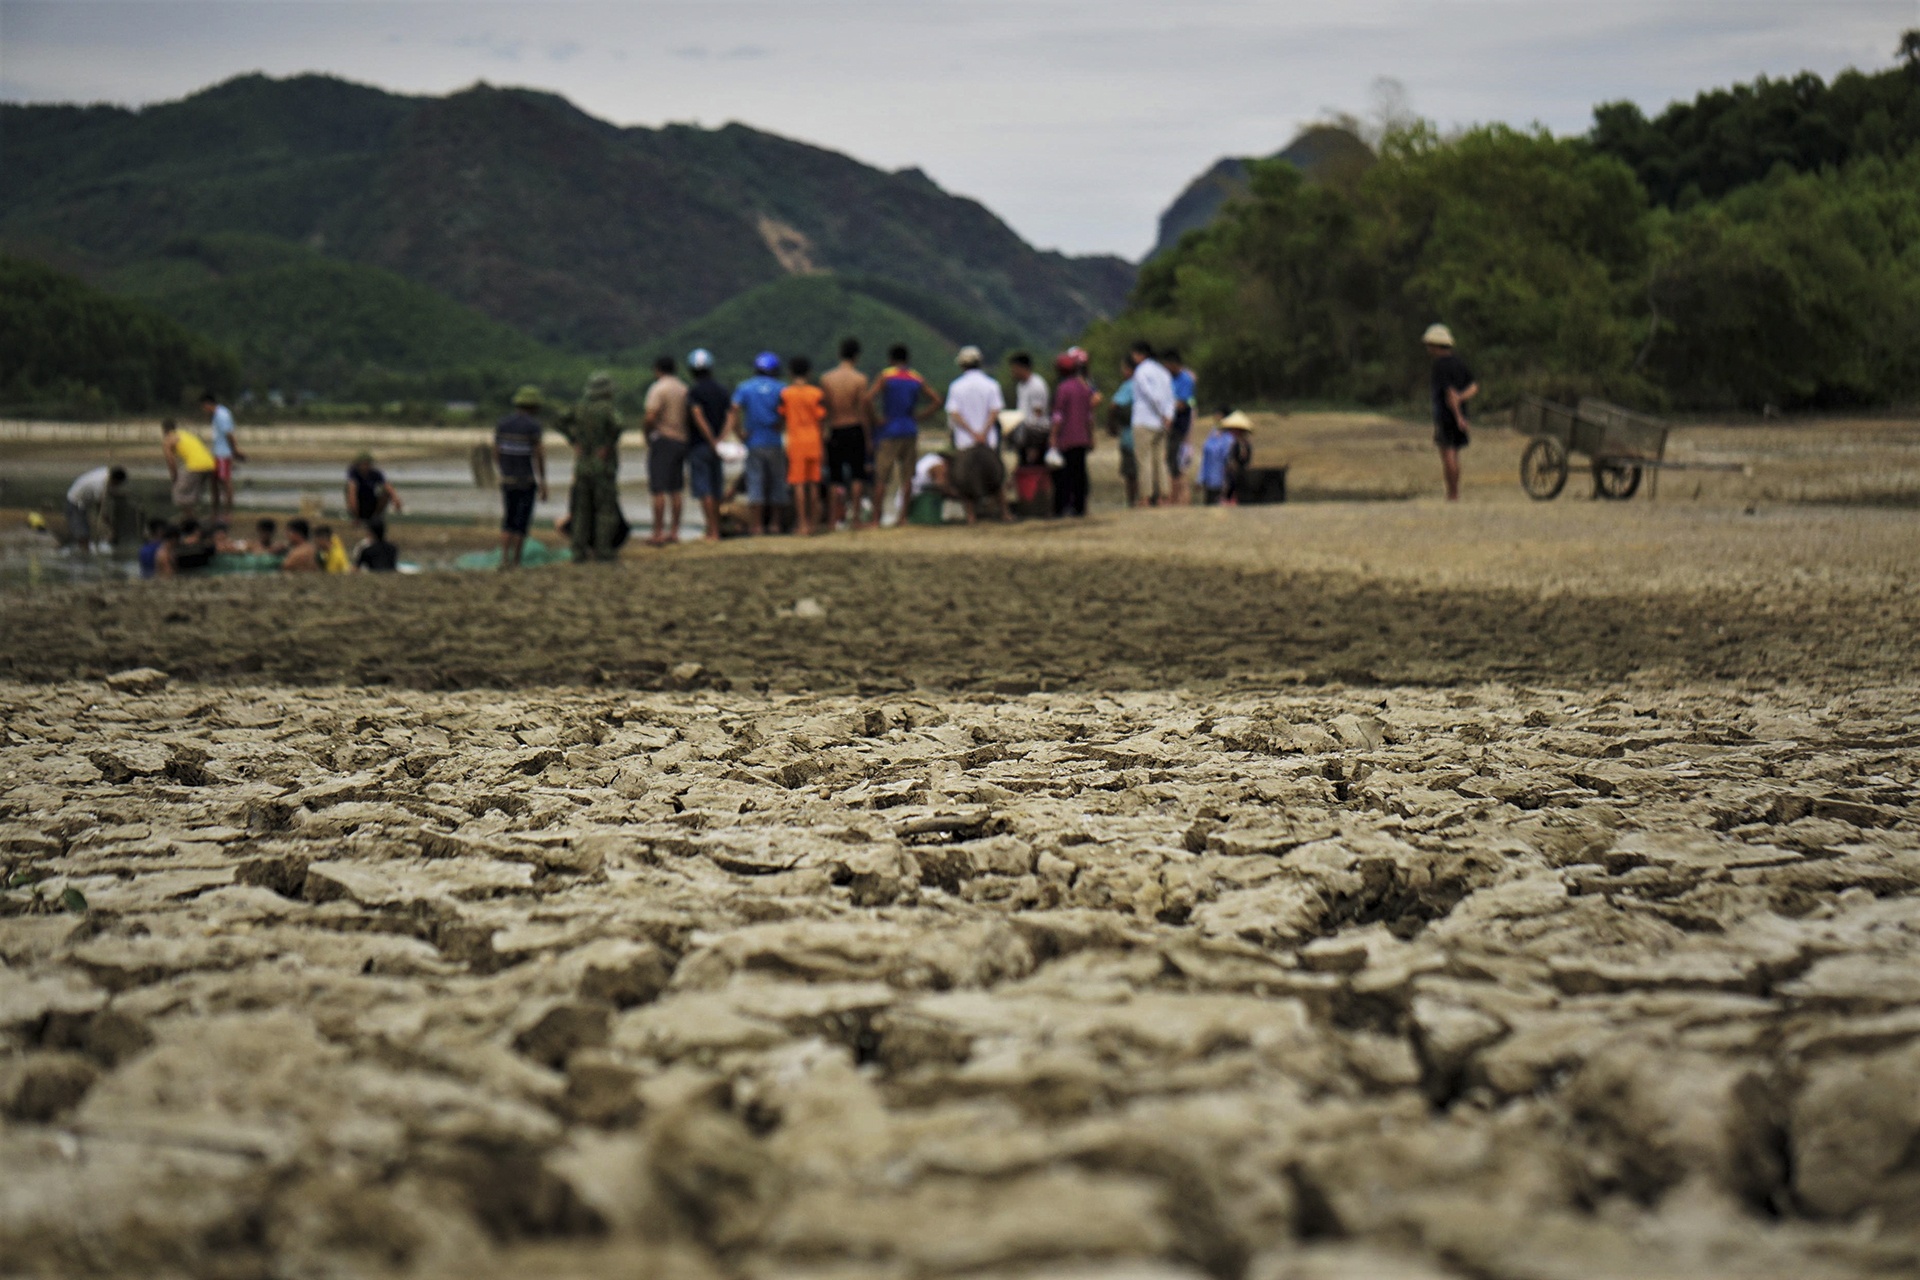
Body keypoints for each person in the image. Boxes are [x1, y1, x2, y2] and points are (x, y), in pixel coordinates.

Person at [868, 344, 940, 528]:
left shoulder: (886, 376)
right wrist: (920, 416)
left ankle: (876, 518)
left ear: (891, 359)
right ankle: (903, 518)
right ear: (907, 359)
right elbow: (936, 400)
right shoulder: (915, 377)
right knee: (907, 476)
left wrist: (876, 418)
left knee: (882, 476)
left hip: (889, 428)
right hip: (909, 427)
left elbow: (868, 399)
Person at [559, 371, 626, 562]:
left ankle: (578, 551)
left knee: (581, 510)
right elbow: (619, 425)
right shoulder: (607, 408)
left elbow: (559, 421)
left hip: (582, 465)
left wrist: (574, 440)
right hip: (602, 466)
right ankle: (603, 550)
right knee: (605, 510)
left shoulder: (579, 407)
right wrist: (608, 444)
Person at [725, 352, 789, 536]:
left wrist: (738, 433)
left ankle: (757, 526)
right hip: (774, 441)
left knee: (756, 482)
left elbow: (734, 409)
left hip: (753, 442)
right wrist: (782, 424)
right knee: (777, 482)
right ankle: (775, 524)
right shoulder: (781, 388)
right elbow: (788, 409)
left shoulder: (745, 387)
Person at [945, 345, 1009, 524]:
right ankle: (1004, 511)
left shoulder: (956, 387)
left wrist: (972, 433)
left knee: (965, 478)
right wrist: (984, 432)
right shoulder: (991, 384)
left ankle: (971, 515)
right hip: (988, 440)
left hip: (965, 441)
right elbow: (995, 411)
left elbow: (954, 413)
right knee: (996, 476)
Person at [494, 386, 549, 569]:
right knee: (521, 521)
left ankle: (504, 559)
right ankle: (516, 561)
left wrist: (502, 471)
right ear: (533, 406)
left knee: (508, 519)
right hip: (526, 481)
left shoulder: (503, 424)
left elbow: (497, 451)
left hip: (507, 480)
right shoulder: (533, 427)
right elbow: (538, 456)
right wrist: (542, 482)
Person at [821, 336, 873, 530]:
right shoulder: (860, 379)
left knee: (835, 477)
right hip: (854, 427)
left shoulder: (827, 379)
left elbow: (824, 409)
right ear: (856, 356)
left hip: (835, 428)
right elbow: (862, 411)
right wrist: (867, 437)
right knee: (857, 474)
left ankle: (833, 520)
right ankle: (856, 519)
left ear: (839, 354)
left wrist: (824, 433)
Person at [1425, 324, 1478, 501]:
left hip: (1447, 415)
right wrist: (1462, 399)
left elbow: (1450, 394)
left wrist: (1458, 416)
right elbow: (1473, 387)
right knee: (1455, 453)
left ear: (1436, 345)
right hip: (1459, 412)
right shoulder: (1459, 363)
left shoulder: (1439, 365)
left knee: (1447, 453)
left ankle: (1452, 493)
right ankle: (1455, 491)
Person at [643, 355, 690, 545]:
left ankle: (658, 532)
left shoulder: (658, 388)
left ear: (657, 369)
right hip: (681, 440)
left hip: (663, 440)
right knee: (676, 488)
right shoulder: (683, 389)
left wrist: (647, 435)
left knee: (658, 488)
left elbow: (650, 416)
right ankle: (675, 531)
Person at [685, 349, 730, 542]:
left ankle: (712, 531)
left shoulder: (694, 392)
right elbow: (730, 415)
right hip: (718, 446)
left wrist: (710, 439)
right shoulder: (722, 390)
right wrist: (721, 439)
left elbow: (697, 416)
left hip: (700, 445)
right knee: (716, 486)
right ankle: (717, 528)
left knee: (704, 489)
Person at [781, 355, 827, 536]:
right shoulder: (816, 393)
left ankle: (803, 524)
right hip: (814, 440)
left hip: (796, 442)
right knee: (813, 483)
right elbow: (822, 420)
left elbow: (782, 417)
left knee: (798, 484)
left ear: (790, 372)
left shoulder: (786, 394)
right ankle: (814, 524)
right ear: (809, 372)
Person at [1127, 341, 1176, 506]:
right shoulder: (1163, 371)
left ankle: (1146, 496)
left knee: (1144, 460)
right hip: (1161, 423)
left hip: (1144, 420)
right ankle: (1164, 495)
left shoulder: (1141, 371)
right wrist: (1168, 415)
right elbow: (1170, 396)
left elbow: (1150, 394)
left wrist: (1161, 412)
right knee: (1160, 460)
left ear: (1140, 354)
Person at [1048, 354, 1094, 517]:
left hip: (1066, 439)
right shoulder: (1084, 388)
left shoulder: (1063, 388)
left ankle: (1062, 507)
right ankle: (1080, 507)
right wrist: (1091, 436)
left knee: (1064, 476)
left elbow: (1058, 416)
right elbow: (1089, 416)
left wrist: (1053, 436)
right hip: (1081, 438)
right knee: (1080, 473)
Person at [161, 417, 217, 518]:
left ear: (164, 430)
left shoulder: (169, 439)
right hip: (209, 464)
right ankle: (196, 515)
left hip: (195, 466)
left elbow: (171, 461)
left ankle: (190, 517)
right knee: (193, 493)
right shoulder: (184, 434)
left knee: (179, 493)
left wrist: (174, 477)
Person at [64, 465, 126, 552]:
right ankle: (84, 554)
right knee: (83, 533)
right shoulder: (99, 485)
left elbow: (109, 491)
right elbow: (100, 509)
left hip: (84, 500)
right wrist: (110, 525)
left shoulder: (106, 472)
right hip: (76, 502)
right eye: (117, 484)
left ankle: (84, 550)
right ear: (114, 480)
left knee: (85, 530)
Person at [1199, 410, 1255, 505]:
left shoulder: (1243, 444)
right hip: (1224, 476)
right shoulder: (1229, 441)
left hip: (1237, 478)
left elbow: (1243, 460)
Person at [200, 392, 242, 518]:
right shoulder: (216, 415)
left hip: (223, 453)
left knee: (225, 481)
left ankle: (228, 511)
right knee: (214, 482)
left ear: (208, 404)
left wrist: (234, 451)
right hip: (216, 453)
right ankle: (215, 511)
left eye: (204, 406)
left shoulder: (221, 415)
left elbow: (229, 435)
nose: (203, 410)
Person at [1164, 349, 1196, 506]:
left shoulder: (1185, 379)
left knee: (1176, 464)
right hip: (1170, 425)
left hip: (1179, 426)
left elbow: (1182, 404)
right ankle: (1175, 497)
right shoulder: (1168, 378)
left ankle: (1178, 499)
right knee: (1172, 463)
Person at [1008, 352, 1051, 467]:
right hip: (1024, 435)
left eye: (1014, 369)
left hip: (1035, 436)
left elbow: (1038, 414)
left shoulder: (1037, 385)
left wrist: (1034, 446)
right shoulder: (1021, 386)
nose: (1013, 372)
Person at [1108, 358, 1140, 508]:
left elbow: (1114, 404)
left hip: (1129, 436)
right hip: (1140, 434)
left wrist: (1111, 426)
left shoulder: (1128, 386)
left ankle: (1132, 501)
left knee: (1131, 472)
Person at [344, 452, 403, 526]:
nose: (365, 466)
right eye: (363, 464)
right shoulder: (354, 474)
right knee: (351, 491)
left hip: (371, 502)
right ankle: (356, 518)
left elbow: (387, 486)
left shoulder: (375, 474)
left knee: (386, 492)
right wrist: (355, 513)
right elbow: (352, 491)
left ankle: (375, 517)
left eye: (367, 463)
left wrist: (395, 499)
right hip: (359, 502)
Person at [909, 450, 957, 524]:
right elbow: (941, 484)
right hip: (916, 495)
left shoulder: (931, 459)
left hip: (910, 494)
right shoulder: (939, 465)